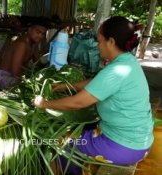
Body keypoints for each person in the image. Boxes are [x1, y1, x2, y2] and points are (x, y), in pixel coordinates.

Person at [32, 16, 153, 174]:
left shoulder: (116, 71)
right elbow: (97, 82)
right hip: (137, 141)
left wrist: (44, 104)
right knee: (83, 127)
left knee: (61, 142)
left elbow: (77, 103)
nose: (97, 45)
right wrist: (66, 86)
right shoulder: (127, 61)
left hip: (123, 146)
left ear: (111, 42)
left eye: (100, 41)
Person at [0, 22, 48, 90]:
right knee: (37, 90)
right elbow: (15, 72)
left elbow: (37, 64)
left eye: (43, 34)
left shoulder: (34, 43)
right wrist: (28, 81)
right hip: (6, 78)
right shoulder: (22, 44)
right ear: (29, 30)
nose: (40, 36)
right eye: (38, 32)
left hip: (19, 76)